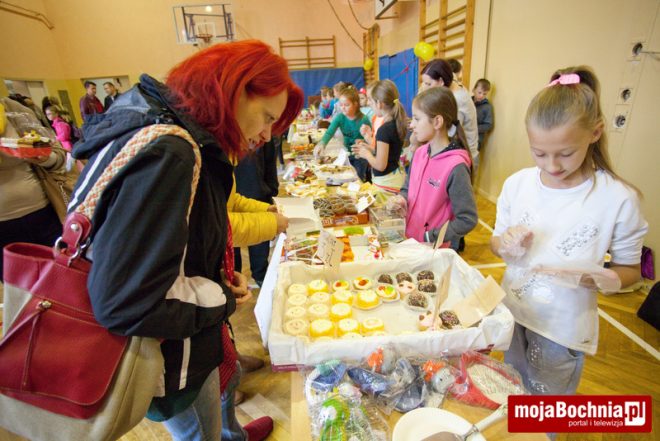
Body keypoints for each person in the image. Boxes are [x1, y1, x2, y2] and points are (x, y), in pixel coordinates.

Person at [69, 40, 303, 441]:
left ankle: (233, 434)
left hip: (186, 338)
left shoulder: (176, 134)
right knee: (198, 430)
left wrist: (216, 276)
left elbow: (178, 243)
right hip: (169, 354)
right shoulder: (173, 152)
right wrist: (220, 298)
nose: (266, 134)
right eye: (266, 117)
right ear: (233, 90)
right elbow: (126, 301)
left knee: (216, 398)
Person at [490, 66, 647, 397]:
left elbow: (631, 270)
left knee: (545, 408)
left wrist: (605, 279)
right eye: (539, 153)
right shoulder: (518, 184)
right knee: (512, 391)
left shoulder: (618, 199)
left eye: (565, 153)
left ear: (595, 133)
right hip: (513, 312)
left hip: (560, 330)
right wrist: (505, 243)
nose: (552, 165)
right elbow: (495, 242)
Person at [390, 87, 477, 250]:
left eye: (417, 119)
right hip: (411, 240)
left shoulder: (456, 166)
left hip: (434, 249)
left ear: (437, 122)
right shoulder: (419, 153)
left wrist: (431, 236)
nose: (412, 125)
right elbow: (407, 188)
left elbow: (467, 219)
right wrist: (401, 199)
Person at [0, 97, 66, 280]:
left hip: (42, 214)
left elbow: (59, 156)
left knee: (65, 277)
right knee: (21, 288)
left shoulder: (12, 110)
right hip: (3, 228)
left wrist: (44, 158)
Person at [420, 59, 480, 171]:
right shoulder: (451, 86)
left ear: (441, 81)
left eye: (428, 84)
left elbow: (448, 134)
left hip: (464, 158)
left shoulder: (457, 99)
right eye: (424, 83)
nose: (425, 88)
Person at [353, 80, 406, 192]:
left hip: (386, 183)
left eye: (371, 101)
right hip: (394, 179)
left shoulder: (384, 130)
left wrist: (366, 154)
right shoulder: (396, 123)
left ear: (379, 104)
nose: (369, 104)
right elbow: (389, 154)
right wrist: (371, 149)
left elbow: (380, 165)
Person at [314, 85, 371, 181]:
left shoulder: (364, 119)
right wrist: (322, 144)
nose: (343, 108)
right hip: (346, 155)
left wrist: (364, 142)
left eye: (347, 105)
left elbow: (371, 139)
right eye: (341, 105)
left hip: (360, 156)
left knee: (358, 179)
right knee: (346, 179)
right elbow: (329, 133)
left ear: (355, 104)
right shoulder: (340, 117)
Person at [472, 78, 493, 151]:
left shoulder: (487, 107)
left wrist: (473, 128)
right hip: (463, 136)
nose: (481, 96)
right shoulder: (468, 102)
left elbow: (488, 125)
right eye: (479, 92)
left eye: (484, 94)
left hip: (476, 140)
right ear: (473, 90)